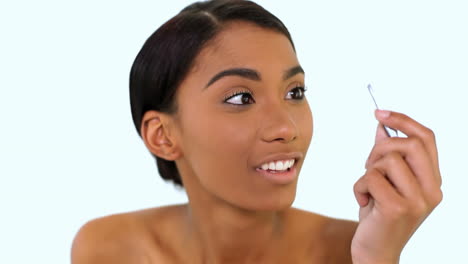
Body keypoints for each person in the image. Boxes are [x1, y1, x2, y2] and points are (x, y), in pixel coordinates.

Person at [71, 0, 443, 263]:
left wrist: (377, 258)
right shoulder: (110, 249)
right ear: (163, 136)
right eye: (240, 98)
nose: (287, 126)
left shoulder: (353, 251)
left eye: (294, 92)